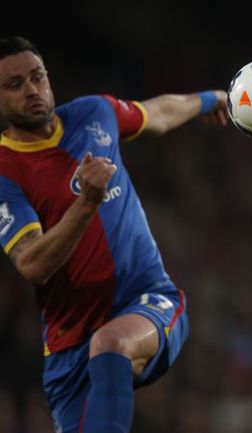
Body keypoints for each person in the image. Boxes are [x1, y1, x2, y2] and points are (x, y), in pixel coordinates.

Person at [0, 36, 229, 433]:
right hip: (68, 349)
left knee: (111, 343)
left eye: (37, 77)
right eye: (15, 85)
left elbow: (157, 114)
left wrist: (210, 100)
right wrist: (86, 203)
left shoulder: (94, 112)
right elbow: (32, 263)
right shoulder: (5, 172)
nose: (32, 90)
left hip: (147, 301)